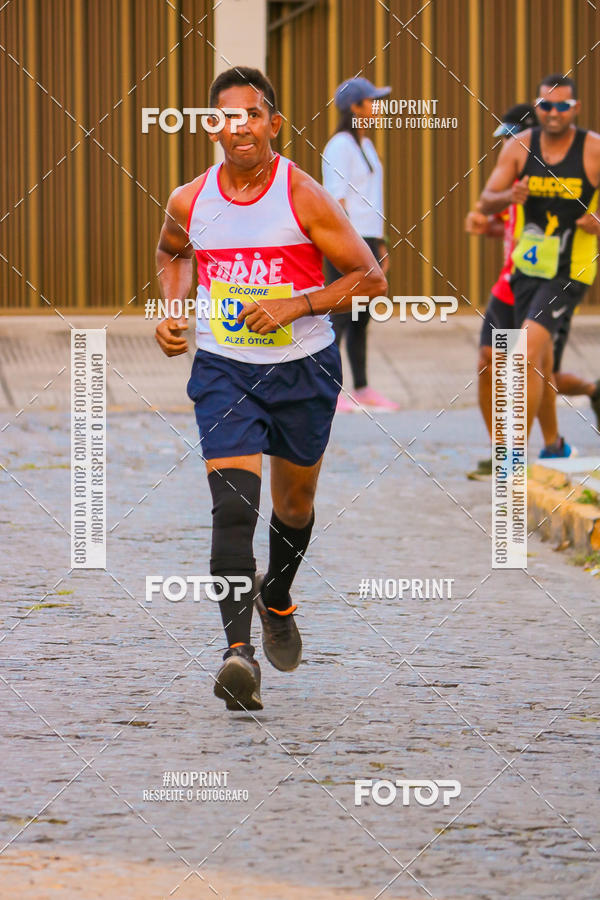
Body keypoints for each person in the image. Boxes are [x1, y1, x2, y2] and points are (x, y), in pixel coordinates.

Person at [154, 67, 386, 712]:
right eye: (228, 116)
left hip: (303, 370)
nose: (241, 127)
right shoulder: (190, 199)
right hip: (226, 369)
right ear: (213, 127)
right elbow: (174, 253)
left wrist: (299, 304)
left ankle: (276, 596)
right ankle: (237, 655)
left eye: (253, 114)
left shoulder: (304, 195)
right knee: (233, 509)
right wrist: (173, 311)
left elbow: (370, 279)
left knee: (295, 504)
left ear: (273, 124)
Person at [466, 103, 600, 478]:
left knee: (534, 365)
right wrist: (486, 220)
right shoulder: (515, 177)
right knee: (492, 361)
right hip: (512, 280)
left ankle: (520, 456)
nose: (505, 148)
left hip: (558, 280)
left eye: (512, 139)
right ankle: (517, 450)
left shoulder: (571, 174)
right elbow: (490, 214)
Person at [322, 77, 397, 412]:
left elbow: (370, 200)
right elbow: (336, 201)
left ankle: (363, 388)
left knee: (361, 318)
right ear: (355, 107)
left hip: (368, 240)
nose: (377, 108)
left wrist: (379, 245)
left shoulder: (365, 145)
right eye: (372, 101)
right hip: (347, 241)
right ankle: (330, 389)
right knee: (339, 317)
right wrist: (347, 248)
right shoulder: (339, 145)